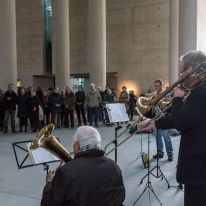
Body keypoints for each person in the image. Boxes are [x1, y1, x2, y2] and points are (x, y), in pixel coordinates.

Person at [139, 50, 206, 206]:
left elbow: (181, 121)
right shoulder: (198, 90)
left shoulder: (201, 91)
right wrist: (154, 123)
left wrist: (177, 99)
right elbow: (187, 117)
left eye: (182, 71)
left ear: (190, 70)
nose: (180, 75)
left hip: (199, 168)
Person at [41, 126, 125, 206]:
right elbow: (120, 196)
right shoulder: (114, 166)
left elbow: (48, 203)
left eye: (73, 144)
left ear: (77, 145)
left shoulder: (66, 171)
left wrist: (49, 183)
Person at [152, 79, 173, 161]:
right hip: (156, 118)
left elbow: (168, 105)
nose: (156, 87)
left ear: (161, 86)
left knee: (166, 137)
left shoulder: (166, 94)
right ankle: (160, 152)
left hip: (164, 117)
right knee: (157, 137)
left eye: (157, 86)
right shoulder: (154, 94)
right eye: (155, 86)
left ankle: (170, 154)